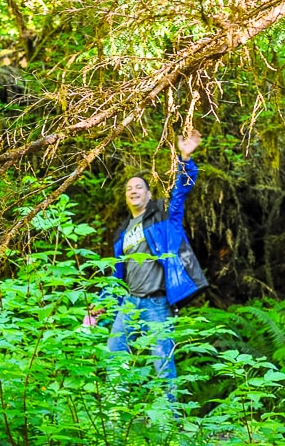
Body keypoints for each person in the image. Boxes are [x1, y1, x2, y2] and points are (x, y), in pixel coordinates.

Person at [101, 130, 209, 386]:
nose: (133, 190)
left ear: (149, 195)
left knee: (162, 362)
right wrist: (101, 303)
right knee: (114, 356)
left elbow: (180, 192)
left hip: (157, 304)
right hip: (129, 304)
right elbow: (117, 276)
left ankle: (167, 422)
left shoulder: (163, 218)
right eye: (129, 188)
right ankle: (115, 418)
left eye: (139, 187)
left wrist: (184, 157)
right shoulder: (122, 233)